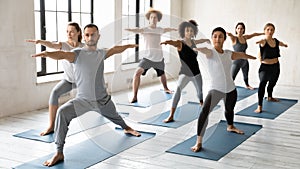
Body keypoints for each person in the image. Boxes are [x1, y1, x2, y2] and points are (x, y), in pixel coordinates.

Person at [32, 24, 141, 167]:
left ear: (98, 36)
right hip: (82, 101)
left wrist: (129, 46)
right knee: (62, 112)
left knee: (116, 117)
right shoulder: (77, 54)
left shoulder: (101, 53)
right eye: (87, 35)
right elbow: (62, 55)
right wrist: (47, 54)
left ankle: (126, 127)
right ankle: (59, 152)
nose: (90, 37)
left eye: (93, 34)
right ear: (83, 36)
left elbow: (115, 50)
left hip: (102, 100)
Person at [191, 27, 256, 152]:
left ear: (224, 39)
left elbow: (241, 54)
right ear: (212, 38)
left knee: (229, 110)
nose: (217, 39)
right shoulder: (210, 52)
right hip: (215, 90)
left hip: (231, 89)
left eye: (220, 36)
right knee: (204, 112)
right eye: (215, 36)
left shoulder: (228, 54)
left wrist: (251, 57)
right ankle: (198, 141)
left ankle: (230, 126)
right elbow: (203, 49)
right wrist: (195, 47)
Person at [26, 22, 85, 136]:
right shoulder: (64, 45)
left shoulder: (83, 47)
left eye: (72, 31)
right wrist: (40, 42)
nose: (69, 34)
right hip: (68, 80)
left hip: (83, 81)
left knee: (96, 99)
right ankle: (51, 125)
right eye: (67, 31)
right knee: (54, 93)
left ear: (78, 32)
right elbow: (52, 45)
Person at [160, 20, 210, 123]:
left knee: (200, 93)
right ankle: (171, 115)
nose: (189, 33)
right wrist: (166, 42)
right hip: (185, 73)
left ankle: (202, 106)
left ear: (194, 32)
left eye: (191, 31)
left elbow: (199, 41)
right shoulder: (180, 43)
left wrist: (205, 39)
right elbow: (173, 42)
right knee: (178, 90)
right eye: (187, 30)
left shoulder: (193, 42)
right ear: (184, 31)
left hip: (196, 72)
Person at [125, 8, 177, 103]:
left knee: (162, 74)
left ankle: (166, 88)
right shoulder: (145, 29)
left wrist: (174, 29)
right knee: (137, 73)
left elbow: (166, 29)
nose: (153, 19)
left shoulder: (160, 30)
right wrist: (128, 29)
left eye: (155, 17)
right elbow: (137, 30)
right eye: (151, 17)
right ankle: (135, 96)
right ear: (149, 19)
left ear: (158, 19)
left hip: (159, 58)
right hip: (147, 58)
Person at [254, 23, 288, 113]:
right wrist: (259, 42)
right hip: (265, 68)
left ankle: (270, 97)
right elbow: (261, 42)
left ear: (274, 31)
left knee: (272, 83)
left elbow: (280, 43)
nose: (270, 31)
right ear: (264, 31)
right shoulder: (264, 41)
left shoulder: (275, 41)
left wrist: (284, 45)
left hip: (276, 66)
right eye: (268, 29)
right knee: (262, 84)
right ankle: (259, 106)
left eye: (272, 29)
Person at [227, 22, 264, 90]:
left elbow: (254, 34)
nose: (240, 30)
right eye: (238, 28)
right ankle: (227, 89)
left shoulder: (245, 37)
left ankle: (247, 85)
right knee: (232, 78)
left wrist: (263, 33)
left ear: (243, 30)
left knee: (246, 75)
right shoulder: (234, 38)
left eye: (241, 28)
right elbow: (231, 35)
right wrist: (229, 34)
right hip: (236, 62)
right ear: (236, 30)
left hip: (245, 61)